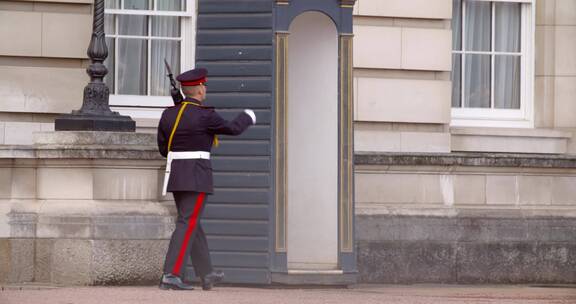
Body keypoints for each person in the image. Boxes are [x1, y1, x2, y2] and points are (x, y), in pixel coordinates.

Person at [157, 68, 256, 290]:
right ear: (200, 89)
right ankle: (171, 274)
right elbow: (232, 128)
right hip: (196, 175)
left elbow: (164, 149)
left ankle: (206, 273)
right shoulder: (205, 115)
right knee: (187, 222)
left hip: (176, 175)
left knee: (192, 222)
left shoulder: (169, 114)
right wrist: (247, 116)